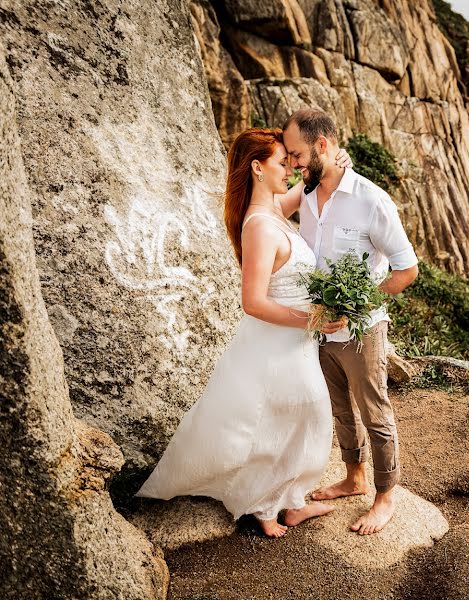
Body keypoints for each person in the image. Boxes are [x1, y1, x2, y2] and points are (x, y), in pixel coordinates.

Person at [135, 128, 352, 538]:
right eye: (281, 163)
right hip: (277, 343)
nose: (289, 168)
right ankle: (266, 506)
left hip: (295, 343)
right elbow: (251, 301)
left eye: (290, 162)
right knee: (302, 415)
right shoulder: (259, 226)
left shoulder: (273, 210)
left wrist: (333, 164)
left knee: (302, 417)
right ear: (257, 167)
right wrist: (311, 320)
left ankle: (290, 503)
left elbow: (305, 186)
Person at [282, 108, 419, 535]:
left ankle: (385, 497)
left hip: (362, 330)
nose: (291, 164)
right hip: (318, 329)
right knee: (339, 408)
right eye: (287, 156)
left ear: (323, 145)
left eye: (297, 154)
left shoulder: (371, 199)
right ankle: (354, 477)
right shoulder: (303, 192)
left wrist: (358, 301)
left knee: (375, 412)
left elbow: (406, 270)